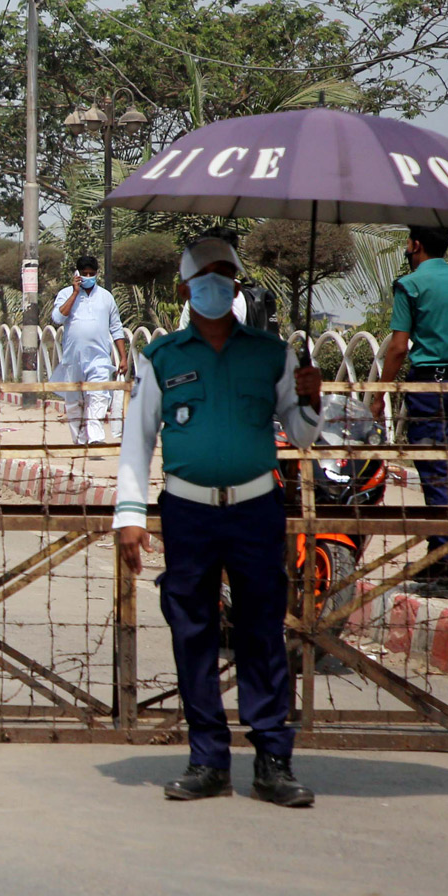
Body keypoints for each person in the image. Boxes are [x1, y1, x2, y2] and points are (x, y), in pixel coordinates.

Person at [113, 235, 321, 808]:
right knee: (193, 632)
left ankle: (274, 760)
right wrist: (129, 514)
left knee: (261, 630)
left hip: (256, 508)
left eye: (226, 274)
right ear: (185, 287)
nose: (217, 283)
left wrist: (310, 397)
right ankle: (207, 758)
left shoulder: (270, 352)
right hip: (187, 510)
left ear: (237, 284)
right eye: (206, 274)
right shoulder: (163, 358)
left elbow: (301, 436)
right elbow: (138, 439)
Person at [373, 224, 448, 595]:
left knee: (434, 471)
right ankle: (437, 554)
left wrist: (379, 394)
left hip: (428, 386)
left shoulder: (409, 285)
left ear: (415, 245)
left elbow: (397, 347)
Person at [51, 255, 130, 445]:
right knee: (74, 402)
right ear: (77, 274)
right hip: (73, 358)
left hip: (99, 358)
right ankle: (80, 441)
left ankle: (95, 438)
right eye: (84, 273)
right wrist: (75, 293)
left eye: (91, 274)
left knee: (98, 395)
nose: (88, 276)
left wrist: (123, 357)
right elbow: (57, 318)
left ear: (97, 274)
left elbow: (116, 328)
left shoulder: (105, 297)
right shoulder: (65, 294)